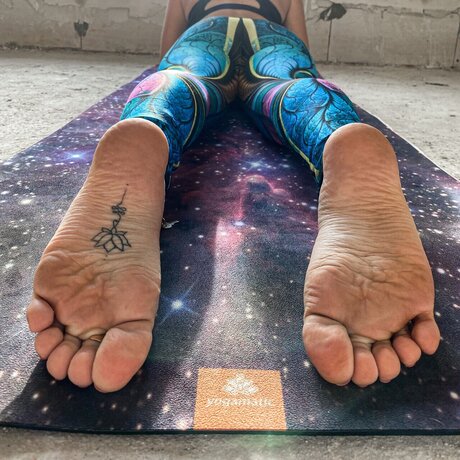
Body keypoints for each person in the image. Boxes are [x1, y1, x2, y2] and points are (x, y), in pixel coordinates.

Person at [26, 0, 440, 393]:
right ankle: (341, 138)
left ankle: (148, 130)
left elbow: (165, 54)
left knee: (178, 78)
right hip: (272, 37)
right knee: (295, 86)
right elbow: (306, 54)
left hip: (206, 32)